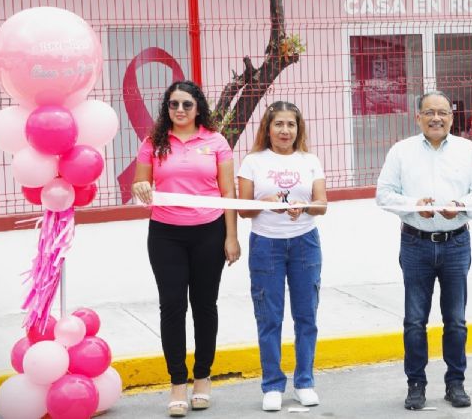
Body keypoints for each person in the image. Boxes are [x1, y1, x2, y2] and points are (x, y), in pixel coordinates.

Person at [131, 80, 240, 418]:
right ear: (167, 108)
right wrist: (140, 186)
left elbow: (228, 193)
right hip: (166, 235)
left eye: (186, 105)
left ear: (198, 108)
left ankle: (203, 377)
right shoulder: (153, 142)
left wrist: (231, 237)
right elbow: (140, 184)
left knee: (205, 306)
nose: (179, 110)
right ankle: (178, 381)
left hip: (209, 233)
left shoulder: (216, 141)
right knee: (172, 307)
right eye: (173, 104)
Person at [376, 90, 472, 411]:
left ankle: (456, 383)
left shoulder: (467, 150)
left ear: (452, 117)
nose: (436, 118)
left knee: (455, 320)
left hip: (456, 243)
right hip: (415, 243)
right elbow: (383, 194)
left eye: (442, 112)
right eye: (429, 112)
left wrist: (460, 206)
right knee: (414, 320)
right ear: (418, 117)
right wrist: (414, 206)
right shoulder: (401, 152)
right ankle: (416, 384)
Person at [237, 101, 328, 412]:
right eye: (279, 124)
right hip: (266, 245)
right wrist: (265, 201)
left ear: (298, 128)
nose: (285, 130)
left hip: (305, 243)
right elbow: (243, 210)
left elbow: (322, 205)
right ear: (268, 128)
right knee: (269, 317)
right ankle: (272, 384)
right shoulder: (252, 162)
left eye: (291, 124)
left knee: (306, 316)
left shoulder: (310, 160)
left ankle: (305, 382)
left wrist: (303, 206)